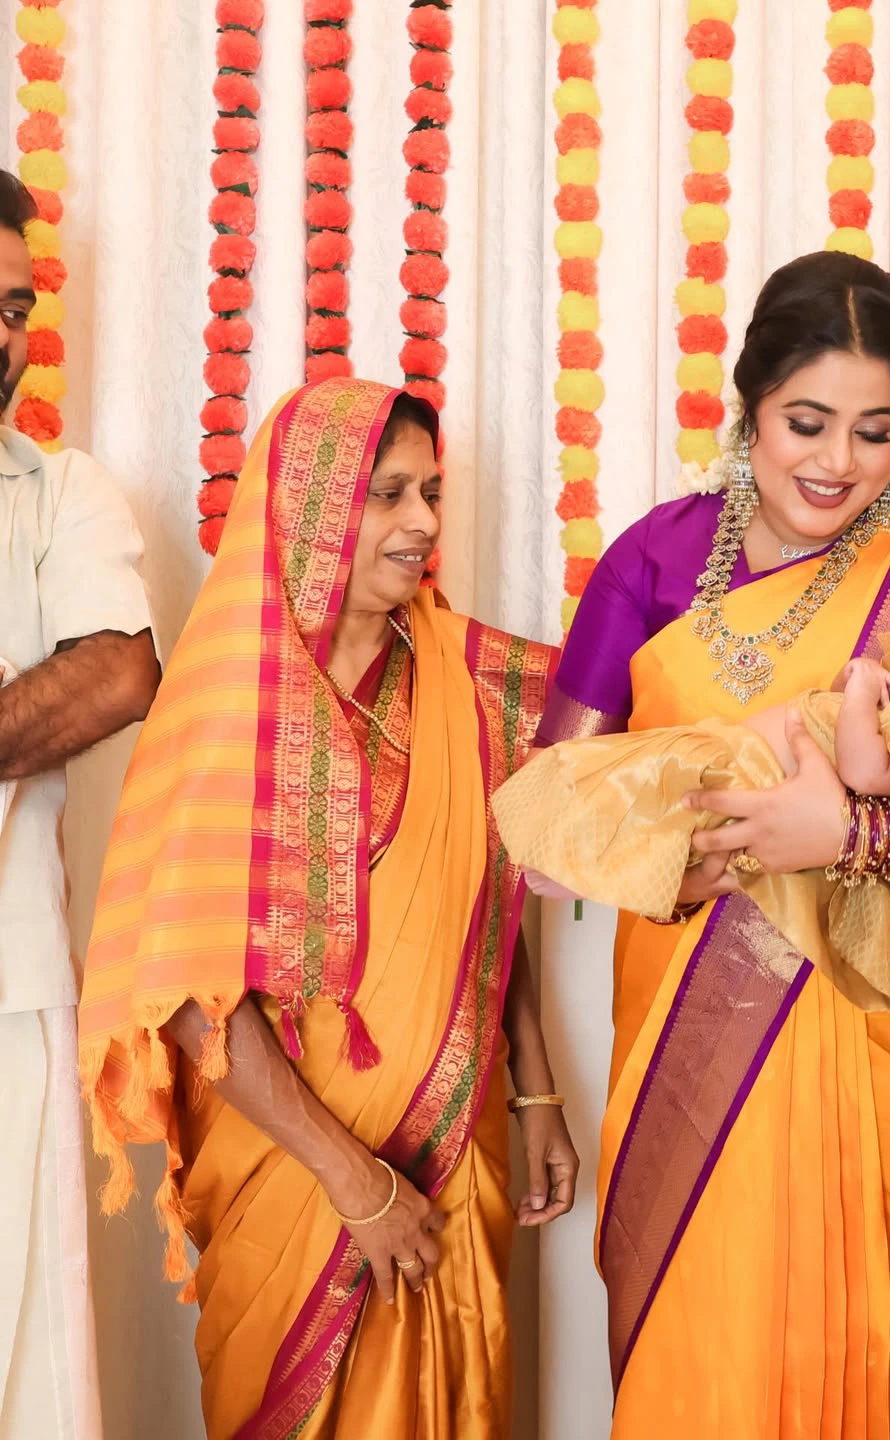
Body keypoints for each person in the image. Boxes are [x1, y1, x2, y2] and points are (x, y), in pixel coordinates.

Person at [534, 251, 890, 1437]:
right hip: (700, 1036)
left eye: (875, 432)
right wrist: (703, 854)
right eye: (806, 424)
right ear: (749, 406)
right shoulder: (654, 562)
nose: (837, 464)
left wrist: (854, 833)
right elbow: (547, 810)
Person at [78, 377, 577, 1439]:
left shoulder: (466, 677)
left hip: (453, 1138)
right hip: (292, 1174)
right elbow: (191, 993)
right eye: (388, 495)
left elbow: (485, 896)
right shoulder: (226, 709)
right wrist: (356, 1184)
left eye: (431, 493)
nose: (426, 524)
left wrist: (535, 1093)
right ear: (307, 508)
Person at [498, 612, 890, 1011]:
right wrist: (852, 684)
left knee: (663, 812)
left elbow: (864, 771)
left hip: (757, 783)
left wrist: (862, 689)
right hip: (736, 761)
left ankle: (580, 867)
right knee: (636, 786)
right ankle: (565, 849)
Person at [0, 171, 159, 1438]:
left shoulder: (61, 492)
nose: (3, 339)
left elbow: (115, 671)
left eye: (15, 308)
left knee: (26, 1355)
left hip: (11, 990)